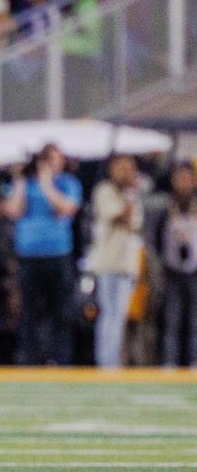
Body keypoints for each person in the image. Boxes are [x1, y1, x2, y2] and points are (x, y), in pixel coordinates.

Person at [2, 143, 82, 365]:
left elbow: (66, 208)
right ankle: (29, 358)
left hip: (58, 253)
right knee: (28, 310)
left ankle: (60, 358)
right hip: (29, 254)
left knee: (61, 310)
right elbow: (13, 211)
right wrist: (19, 179)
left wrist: (47, 184)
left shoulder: (67, 183)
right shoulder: (26, 184)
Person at [87, 154, 143, 369]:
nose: (127, 173)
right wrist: (130, 195)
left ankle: (112, 362)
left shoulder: (131, 194)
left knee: (118, 316)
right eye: (123, 168)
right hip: (108, 262)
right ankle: (106, 363)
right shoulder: (105, 190)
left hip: (127, 263)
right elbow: (119, 214)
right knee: (109, 315)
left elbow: (135, 222)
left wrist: (131, 194)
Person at [153, 163, 197, 368]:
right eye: (180, 178)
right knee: (172, 321)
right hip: (172, 270)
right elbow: (156, 239)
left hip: (195, 270)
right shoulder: (165, 206)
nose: (184, 182)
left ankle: (193, 362)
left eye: (187, 178)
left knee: (194, 322)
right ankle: (169, 364)